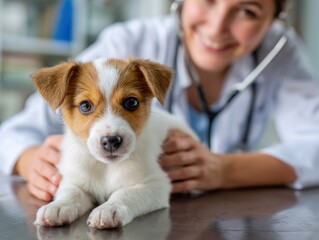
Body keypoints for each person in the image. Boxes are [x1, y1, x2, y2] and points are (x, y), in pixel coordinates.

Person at [1, 0, 319, 201]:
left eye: (247, 11)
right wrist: (30, 161)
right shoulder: (128, 42)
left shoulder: (280, 52)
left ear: (274, 19)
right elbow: (10, 134)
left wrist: (224, 170)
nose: (217, 26)